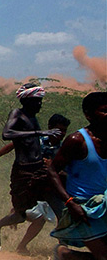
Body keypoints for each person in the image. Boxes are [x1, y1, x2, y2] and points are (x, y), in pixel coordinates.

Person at [0, 83, 63, 249]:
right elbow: (7, 134)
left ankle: (63, 244)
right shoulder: (18, 114)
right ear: (27, 101)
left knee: (58, 204)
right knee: (20, 216)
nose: (40, 104)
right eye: (37, 101)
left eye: (40, 101)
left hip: (40, 170)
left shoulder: (33, 118)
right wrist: (40, 132)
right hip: (23, 171)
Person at [48, 92, 107, 260]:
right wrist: (70, 203)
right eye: (104, 111)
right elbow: (52, 171)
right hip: (83, 208)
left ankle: (67, 255)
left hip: (103, 205)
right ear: (88, 115)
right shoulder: (76, 140)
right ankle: (64, 254)